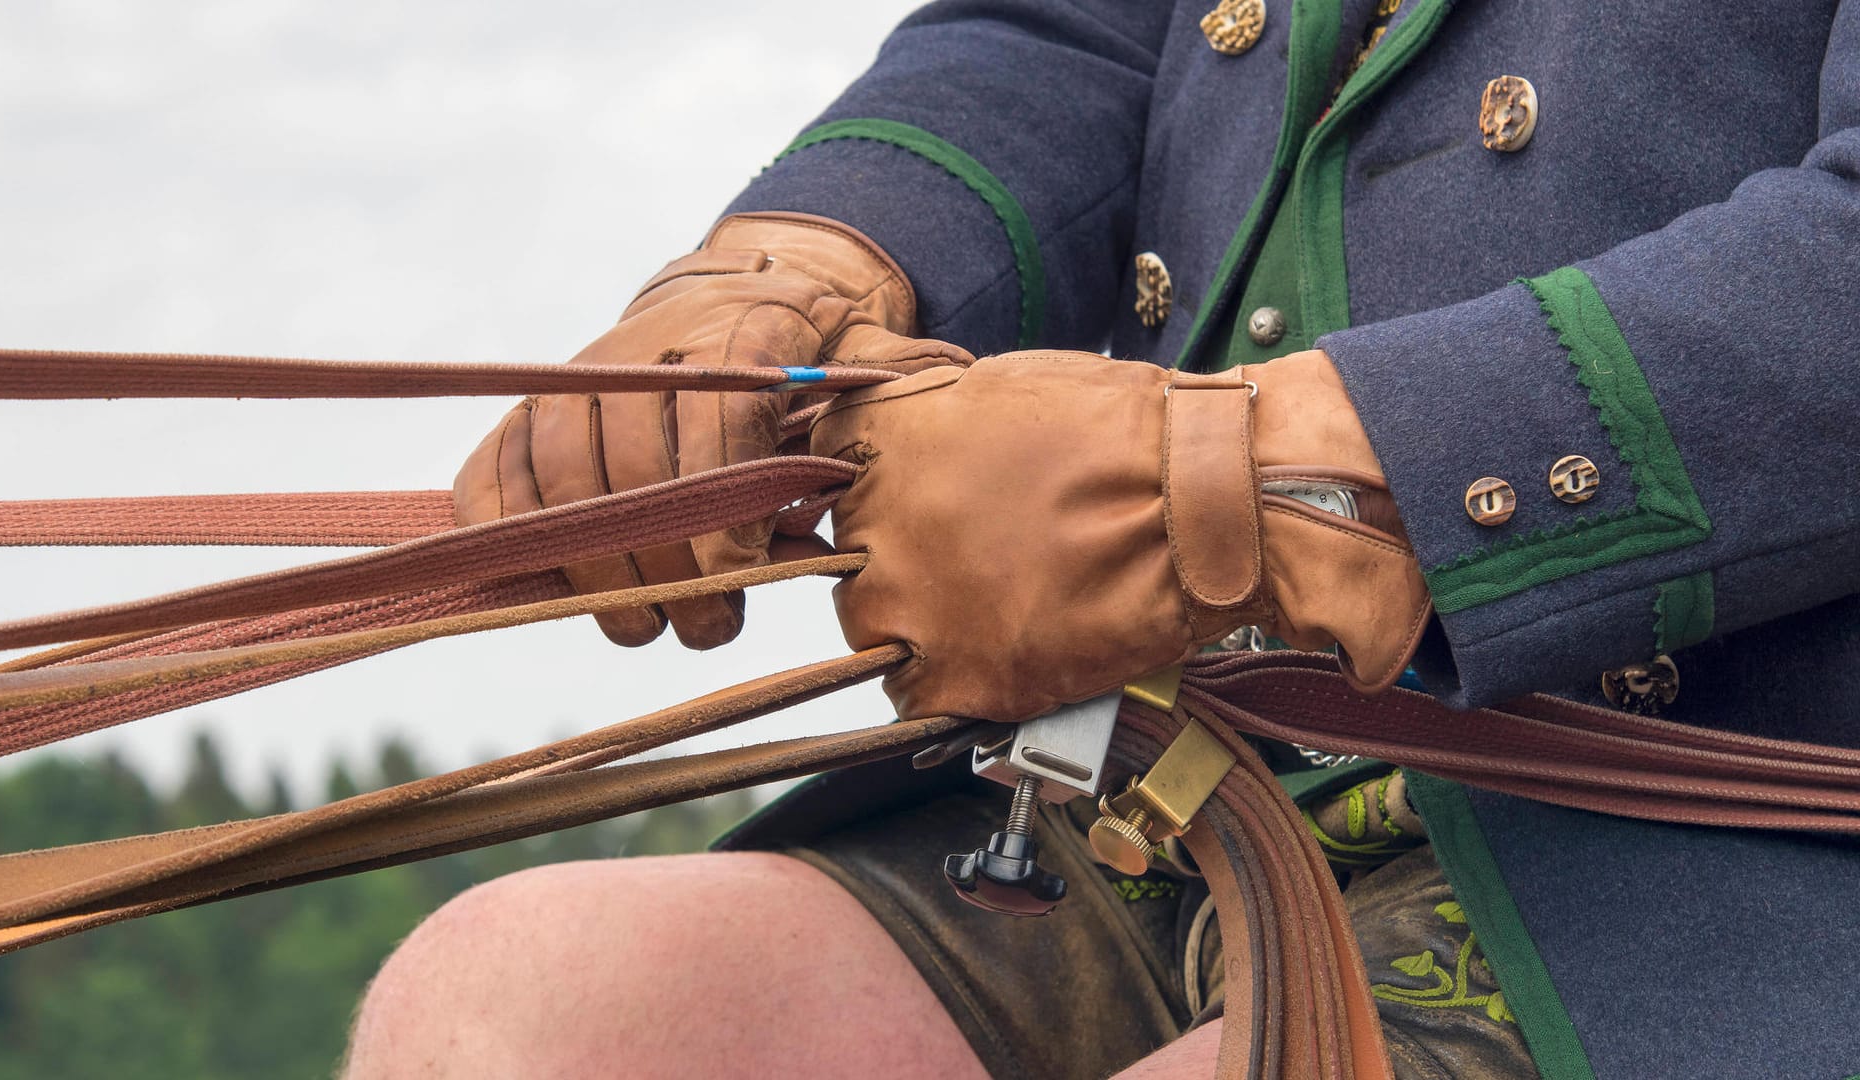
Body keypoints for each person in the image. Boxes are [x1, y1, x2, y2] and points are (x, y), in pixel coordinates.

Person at [342, 2, 1860, 1077]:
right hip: (1157, 770)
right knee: (525, 1012)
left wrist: (1263, 479)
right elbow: (1068, 29)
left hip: (1729, 826)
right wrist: (798, 267)